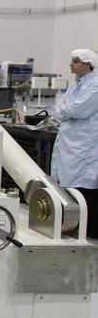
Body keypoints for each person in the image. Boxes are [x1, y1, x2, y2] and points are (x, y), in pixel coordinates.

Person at [49, 48, 98, 238]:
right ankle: (73, 224)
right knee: (68, 183)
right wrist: (65, 112)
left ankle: (86, 228)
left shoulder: (95, 85)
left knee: (84, 185)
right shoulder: (76, 85)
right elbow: (59, 107)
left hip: (85, 144)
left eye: (75, 61)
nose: (71, 64)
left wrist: (65, 112)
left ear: (87, 64)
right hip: (71, 141)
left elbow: (78, 110)